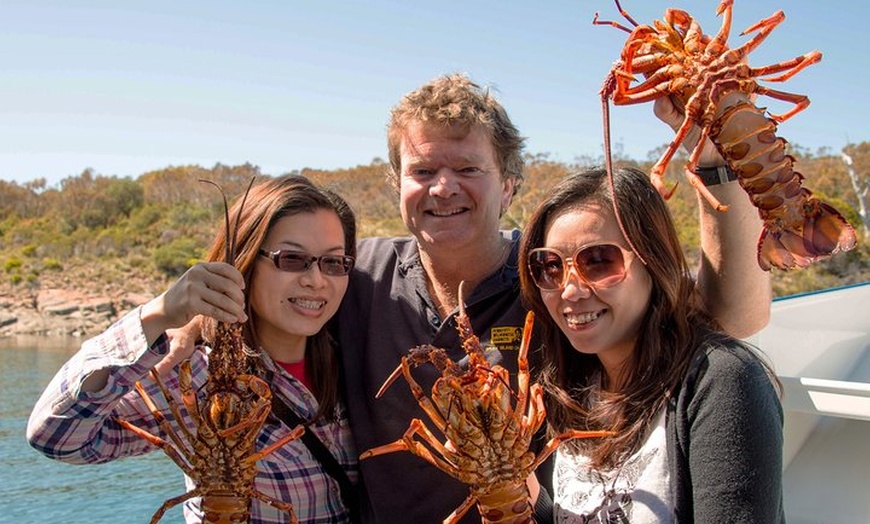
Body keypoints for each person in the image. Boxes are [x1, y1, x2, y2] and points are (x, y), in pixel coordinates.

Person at [334, 73, 772, 523]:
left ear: (508, 185)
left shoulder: (553, 277)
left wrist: (716, 157)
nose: (443, 187)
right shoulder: (350, 272)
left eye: (468, 169)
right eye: (422, 171)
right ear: (396, 183)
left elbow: (727, 320)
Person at [27, 175, 359, 524]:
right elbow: (56, 437)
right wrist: (159, 315)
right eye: (292, 258)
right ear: (245, 263)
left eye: (334, 262)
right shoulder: (194, 374)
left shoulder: (360, 353)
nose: (316, 280)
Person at [517, 166, 783, 522]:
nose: (570, 290)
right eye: (549, 266)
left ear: (652, 261)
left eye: (598, 261)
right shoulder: (570, 389)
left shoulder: (721, 381)